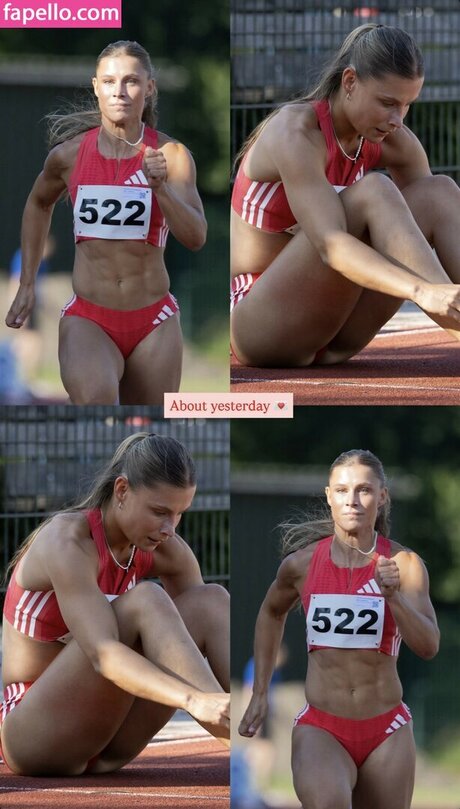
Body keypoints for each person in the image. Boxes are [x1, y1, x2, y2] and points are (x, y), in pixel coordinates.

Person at [231, 24, 460, 367]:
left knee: (439, 192)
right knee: (375, 191)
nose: (397, 120)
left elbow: (417, 235)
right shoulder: (296, 132)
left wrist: (435, 287)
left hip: (338, 330)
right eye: (387, 103)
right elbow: (332, 246)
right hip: (263, 326)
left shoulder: (393, 140)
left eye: (407, 105)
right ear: (350, 81)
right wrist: (421, 290)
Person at [0, 432, 229, 776]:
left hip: (108, 741)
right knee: (147, 600)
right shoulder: (68, 542)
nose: (169, 528)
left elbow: (188, 647)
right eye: (159, 512)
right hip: (34, 736)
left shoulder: (166, 550)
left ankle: (249, 730)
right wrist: (194, 700)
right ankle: (241, 741)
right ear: (121, 490)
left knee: (212, 600)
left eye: (179, 513)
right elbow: (103, 655)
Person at [5, 40, 207, 404]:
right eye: (110, 81)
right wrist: (27, 283)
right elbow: (38, 203)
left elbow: (196, 237)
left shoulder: (171, 155)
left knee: (147, 422)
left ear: (149, 88)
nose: (120, 91)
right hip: (89, 317)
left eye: (131, 81)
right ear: (96, 87)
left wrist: (161, 188)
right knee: (96, 402)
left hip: (154, 319)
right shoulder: (68, 156)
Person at [239, 449, 439, 809]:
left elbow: (428, 646)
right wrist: (260, 692)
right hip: (322, 727)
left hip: (387, 729)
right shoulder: (300, 565)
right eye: (343, 490)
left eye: (364, 490)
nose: (353, 500)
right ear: (329, 496)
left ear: (382, 496)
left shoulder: (404, 564)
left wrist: (393, 597)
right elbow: (270, 613)